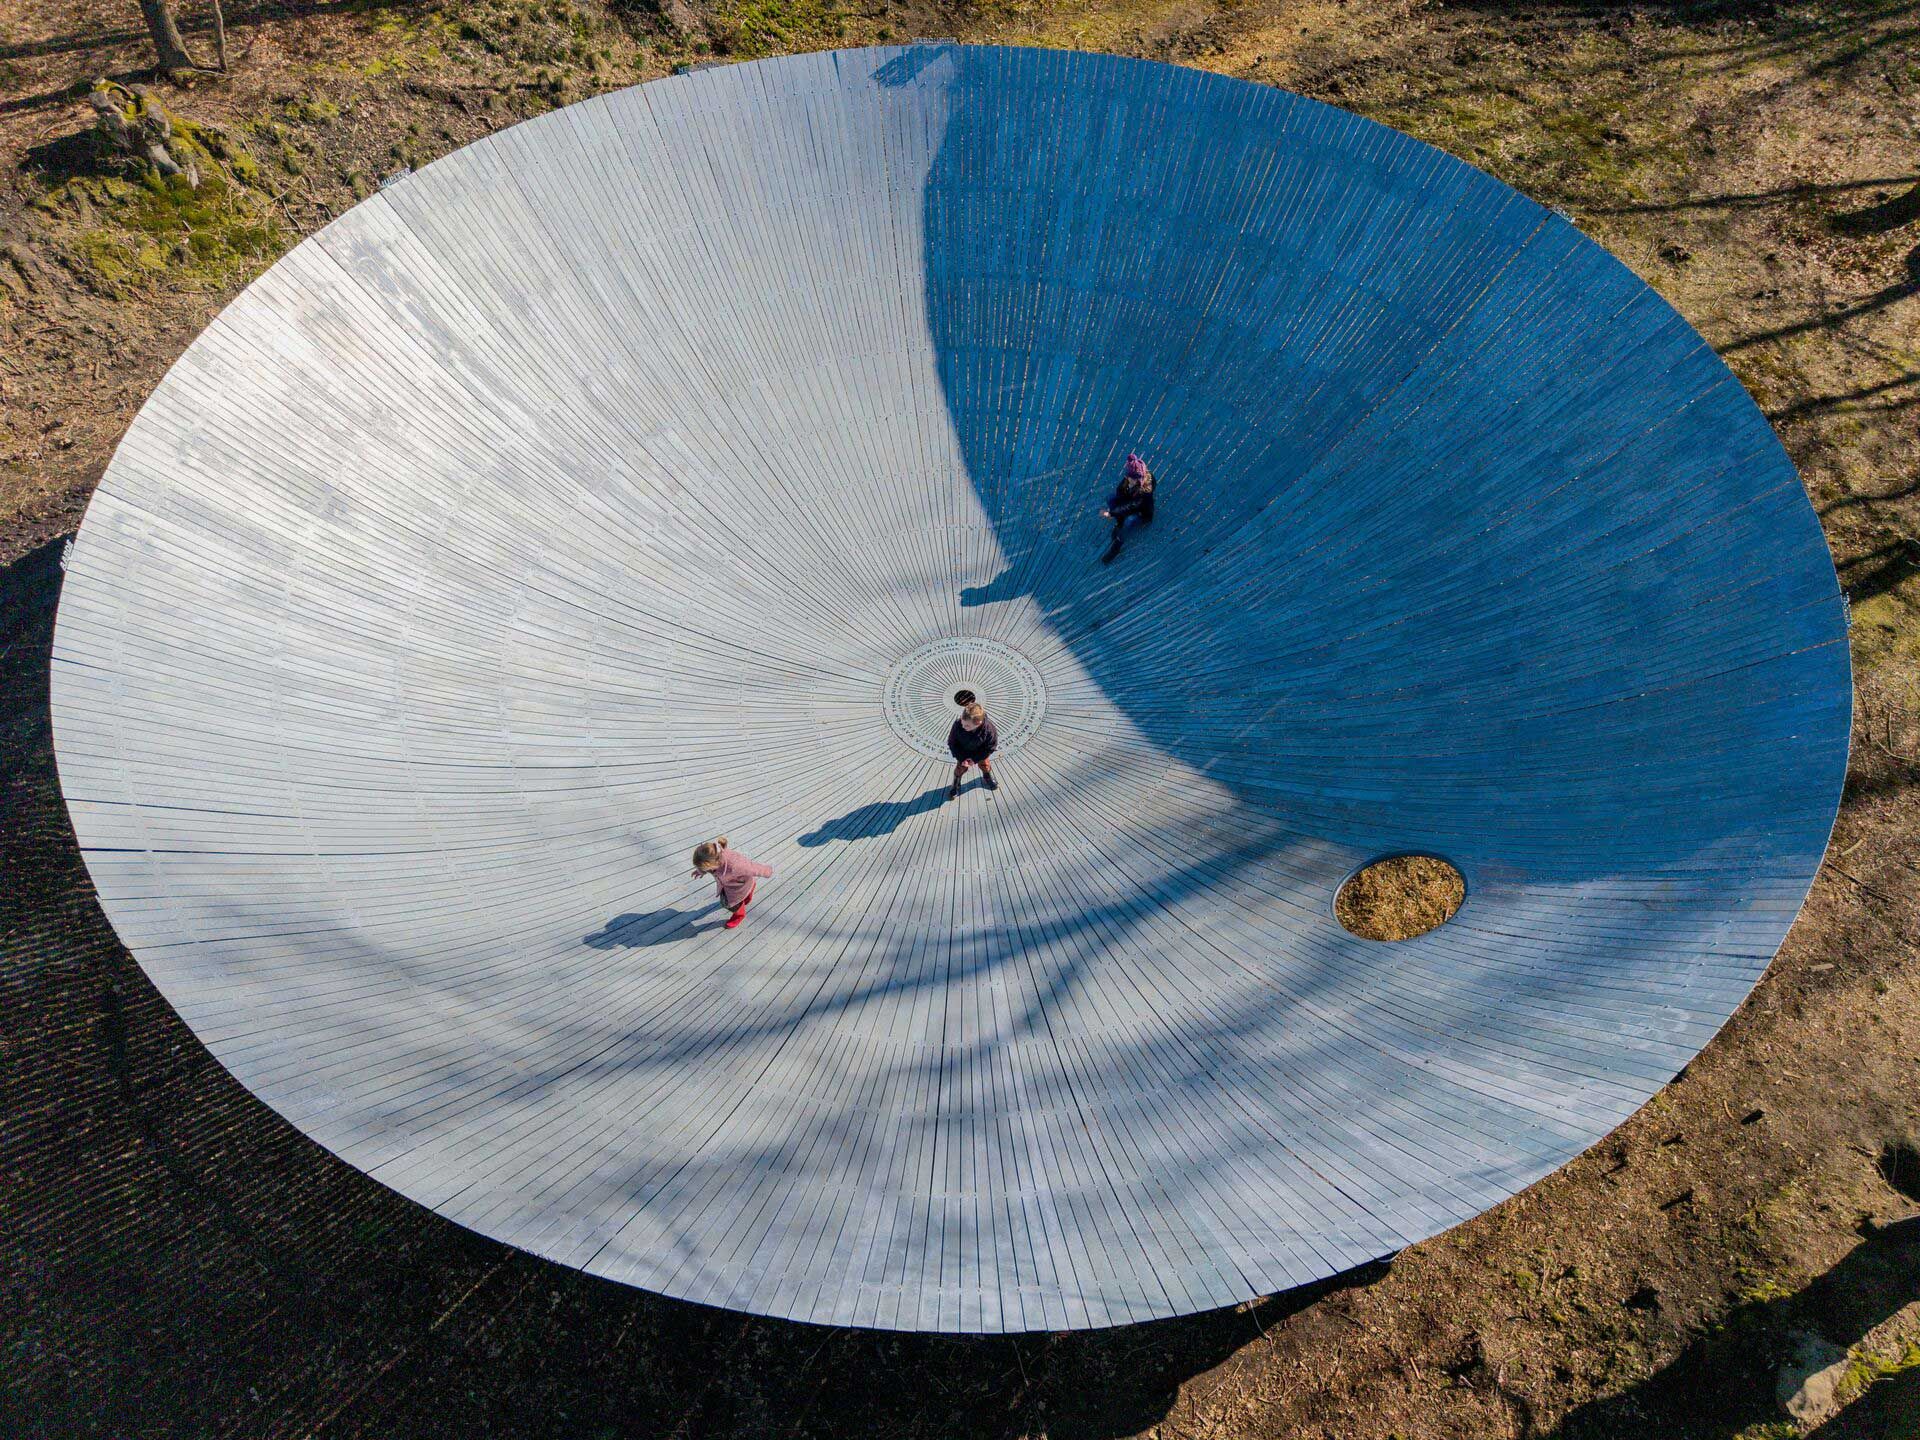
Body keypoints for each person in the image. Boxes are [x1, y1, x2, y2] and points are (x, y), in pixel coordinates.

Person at [690, 836, 772, 929]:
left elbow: (752, 867)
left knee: (732, 904)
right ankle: (749, 891)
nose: (704, 869)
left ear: (713, 864)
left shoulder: (735, 865)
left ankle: (739, 915)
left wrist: (767, 871)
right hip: (730, 883)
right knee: (744, 892)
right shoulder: (713, 856)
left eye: (704, 868)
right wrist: (700, 871)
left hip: (738, 886)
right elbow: (708, 868)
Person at [1100, 452, 1156, 563]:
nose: (1127, 478)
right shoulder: (1130, 479)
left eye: (1130, 477)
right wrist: (1126, 489)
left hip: (1141, 513)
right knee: (1111, 498)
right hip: (1130, 503)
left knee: (1129, 521)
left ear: (1138, 479)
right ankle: (1119, 523)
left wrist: (1112, 513)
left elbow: (1131, 506)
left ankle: (1116, 547)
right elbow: (1120, 492)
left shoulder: (1145, 492)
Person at [946, 690, 999, 798]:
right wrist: (962, 758)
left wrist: (975, 759)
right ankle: (956, 783)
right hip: (963, 752)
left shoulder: (989, 730)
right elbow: (952, 743)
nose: (963, 726)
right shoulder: (958, 725)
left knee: (985, 765)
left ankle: (987, 776)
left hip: (980, 753)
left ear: (978, 723)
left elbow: (990, 747)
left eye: (967, 726)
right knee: (960, 769)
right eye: (962, 722)